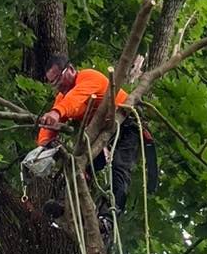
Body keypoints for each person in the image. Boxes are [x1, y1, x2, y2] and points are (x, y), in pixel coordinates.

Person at [37, 55, 140, 213]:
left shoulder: (88, 77)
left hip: (126, 124)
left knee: (120, 168)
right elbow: (51, 124)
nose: (58, 86)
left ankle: (109, 216)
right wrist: (43, 145)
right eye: (53, 83)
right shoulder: (62, 97)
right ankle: (65, 200)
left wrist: (56, 113)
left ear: (70, 69)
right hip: (102, 132)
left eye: (59, 79)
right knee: (79, 162)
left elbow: (75, 98)